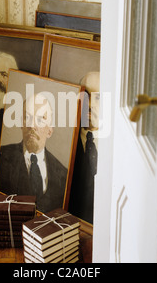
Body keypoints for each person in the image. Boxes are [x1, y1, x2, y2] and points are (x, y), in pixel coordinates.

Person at [0, 93, 68, 213]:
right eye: (27, 117)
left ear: (50, 131)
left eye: (40, 119)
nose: (32, 125)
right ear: (21, 124)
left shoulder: (63, 175)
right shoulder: (1, 157)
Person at [69, 71, 100, 224]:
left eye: (98, 97)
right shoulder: (67, 140)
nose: (91, 104)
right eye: (86, 95)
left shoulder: (118, 148)